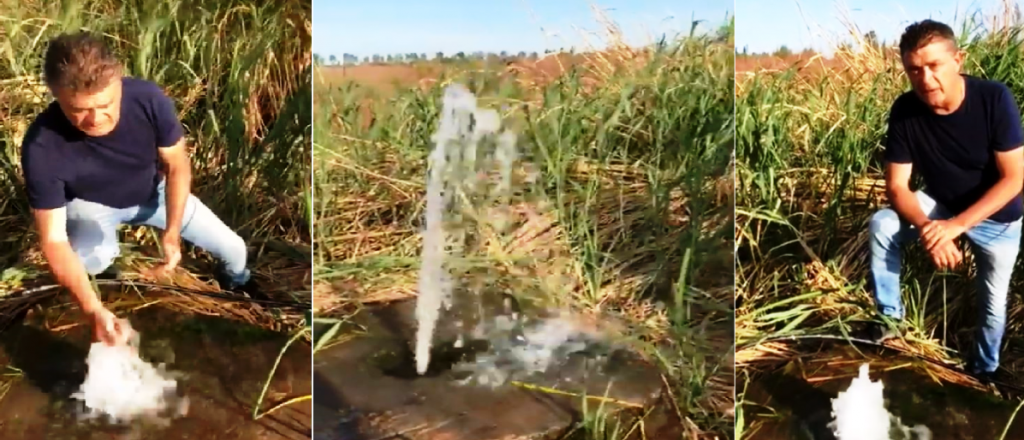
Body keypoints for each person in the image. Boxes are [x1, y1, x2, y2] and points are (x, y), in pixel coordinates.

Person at [21, 31, 257, 346]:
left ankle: (238, 287)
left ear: (120, 82)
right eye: (78, 109)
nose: (95, 119)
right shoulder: (41, 146)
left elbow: (177, 166)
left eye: (106, 104)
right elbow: (52, 240)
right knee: (92, 259)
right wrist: (93, 311)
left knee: (234, 249)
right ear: (56, 95)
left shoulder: (148, 99)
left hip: (154, 194)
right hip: (90, 204)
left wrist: (172, 232)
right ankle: (106, 290)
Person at [868, 19, 1024, 385]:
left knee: (992, 305)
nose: (925, 79)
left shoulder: (993, 99)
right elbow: (897, 187)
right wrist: (929, 228)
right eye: (914, 70)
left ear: (958, 60)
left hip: (998, 218)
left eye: (935, 65)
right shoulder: (905, 110)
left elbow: (1014, 179)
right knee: (883, 223)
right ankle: (889, 322)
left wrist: (956, 227)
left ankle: (983, 371)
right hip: (940, 207)